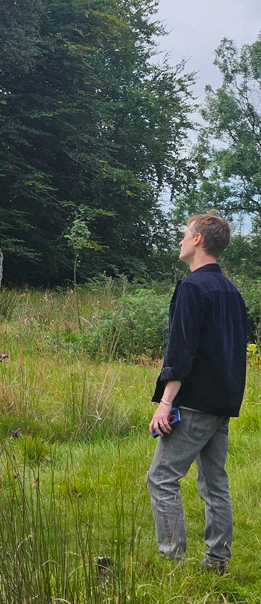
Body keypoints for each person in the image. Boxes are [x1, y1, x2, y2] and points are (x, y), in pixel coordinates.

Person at [147, 210, 247, 573]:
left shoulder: (193, 287)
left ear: (199, 240)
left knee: (161, 478)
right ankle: (217, 560)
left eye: (185, 234)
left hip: (194, 401)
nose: (180, 240)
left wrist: (165, 403)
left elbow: (181, 351)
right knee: (214, 482)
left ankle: (172, 560)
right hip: (222, 402)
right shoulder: (231, 291)